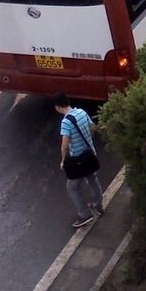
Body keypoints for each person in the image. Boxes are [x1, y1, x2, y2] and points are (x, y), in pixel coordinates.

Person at [54, 92, 103, 228]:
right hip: (90, 154)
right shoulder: (81, 112)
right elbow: (93, 128)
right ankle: (99, 206)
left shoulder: (66, 122)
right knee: (93, 180)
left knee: (72, 187)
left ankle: (84, 214)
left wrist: (63, 160)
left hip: (78, 160)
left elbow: (64, 145)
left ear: (58, 107)